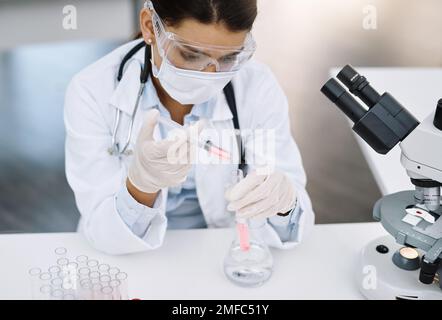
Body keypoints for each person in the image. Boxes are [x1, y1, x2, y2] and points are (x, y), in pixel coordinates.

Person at [64, 0, 314, 254]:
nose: (209, 73)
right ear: (150, 27)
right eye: (191, 54)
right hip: (132, 255)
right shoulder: (92, 90)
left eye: (229, 57)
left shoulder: (256, 87)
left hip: (219, 251)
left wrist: (284, 203)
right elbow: (105, 231)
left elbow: (290, 225)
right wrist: (142, 186)